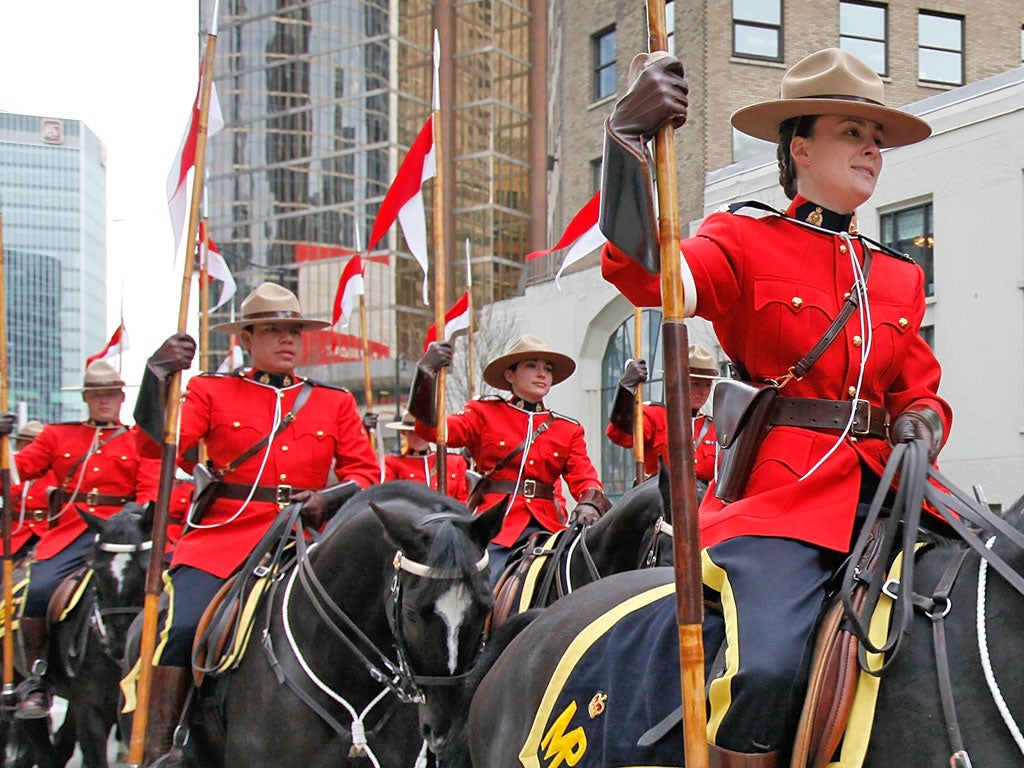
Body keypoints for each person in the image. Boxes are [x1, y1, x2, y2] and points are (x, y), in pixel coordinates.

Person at [600, 48, 951, 765]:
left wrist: (923, 422)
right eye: (854, 131)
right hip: (785, 499)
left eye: (877, 139)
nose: (871, 150)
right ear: (799, 146)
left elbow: (918, 389)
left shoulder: (897, 274)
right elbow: (652, 273)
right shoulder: (743, 238)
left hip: (891, 490)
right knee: (764, 668)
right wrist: (628, 141)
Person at [133, 281, 380, 764]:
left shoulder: (333, 402)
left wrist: (325, 501)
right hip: (223, 538)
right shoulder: (209, 389)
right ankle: (162, 744)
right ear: (246, 339)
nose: (287, 340)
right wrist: (159, 374)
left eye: (293, 331)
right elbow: (156, 447)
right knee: (182, 626)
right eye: (272, 331)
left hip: (303, 541)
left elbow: (365, 474)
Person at [0, 361, 161, 720]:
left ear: (122, 398)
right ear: (87, 398)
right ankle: (39, 676)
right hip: (73, 532)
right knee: (38, 589)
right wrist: (1, 444)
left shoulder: (140, 440)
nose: (104, 400)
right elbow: (14, 472)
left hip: (125, 534)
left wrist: (129, 521)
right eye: (97, 394)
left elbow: (150, 492)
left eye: (111, 394)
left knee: (163, 589)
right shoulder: (57, 436)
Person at [410, 334, 611, 580]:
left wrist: (590, 502)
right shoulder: (483, 412)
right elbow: (435, 431)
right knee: (479, 586)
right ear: (509, 375)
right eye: (531, 366)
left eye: (547, 369)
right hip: (496, 526)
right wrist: (425, 374)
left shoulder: (567, 429)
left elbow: (584, 476)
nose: (542, 374)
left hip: (548, 524)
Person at [606, 344, 718, 495]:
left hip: (700, 502)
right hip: (657, 498)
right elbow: (621, 433)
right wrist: (626, 387)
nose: (703, 392)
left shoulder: (715, 428)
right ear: (679, 382)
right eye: (696, 384)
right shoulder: (655, 415)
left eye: (708, 385)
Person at [383, 411, 470, 504]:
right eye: (412, 433)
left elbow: (463, 500)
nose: (419, 438)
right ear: (404, 433)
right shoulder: (392, 463)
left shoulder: (455, 462)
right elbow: (388, 499)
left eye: (422, 433)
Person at [5, 420, 54, 560]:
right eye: (25, 443)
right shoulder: (7, 469)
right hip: (13, 536)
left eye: (35, 444)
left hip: (47, 535)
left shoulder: (59, 472)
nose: (30, 448)